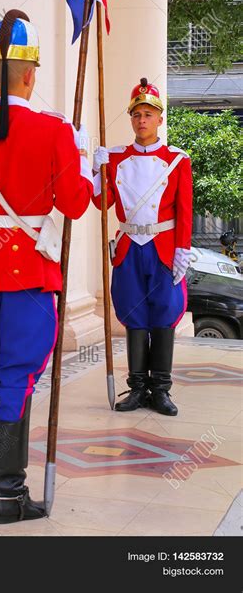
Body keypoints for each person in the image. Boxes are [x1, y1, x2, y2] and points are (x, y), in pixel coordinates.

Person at [0, 8, 94, 523]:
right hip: (27, 274)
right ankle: (7, 494)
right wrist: (85, 166)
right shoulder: (56, 132)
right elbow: (74, 204)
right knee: (17, 378)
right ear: (31, 75)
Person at [92, 79, 193, 416]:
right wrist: (94, 169)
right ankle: (137, 387)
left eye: (148, 114)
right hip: (129, 246)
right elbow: (99, 201)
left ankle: (160, 390)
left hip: (163, 247)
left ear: (160, 119)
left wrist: (182, 249)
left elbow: (184, 210)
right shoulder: (116, 158)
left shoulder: (178, 160)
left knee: (163, 316)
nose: (142, 120)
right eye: (136, 115)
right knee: (134, 315)